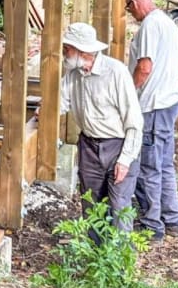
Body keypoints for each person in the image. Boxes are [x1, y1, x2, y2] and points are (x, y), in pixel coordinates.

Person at [59, 22, 144, 237]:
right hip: (89, 146)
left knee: (119, 208)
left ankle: (121, 264)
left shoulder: (116, 73)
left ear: (82, 51)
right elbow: (60, 102)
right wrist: (43, 111)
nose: (64, 53)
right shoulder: (73, 75)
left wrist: (125, 160)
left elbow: (134, 122)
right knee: (92, 205)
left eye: (67, 49)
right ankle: (95, 256)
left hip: (118, 146)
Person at [126, 0, 178, 243]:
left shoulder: (150, 24)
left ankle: (152, 226)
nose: (130, 13)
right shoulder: (169, 23)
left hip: (153, 105)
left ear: (136, 1)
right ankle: (173, 220)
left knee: (148, 168)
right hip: (170, 102)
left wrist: (127, 93)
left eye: (129, 7)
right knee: (164, 164)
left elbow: (145, 66)